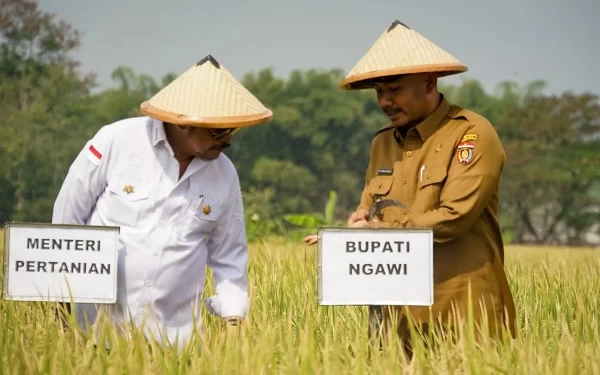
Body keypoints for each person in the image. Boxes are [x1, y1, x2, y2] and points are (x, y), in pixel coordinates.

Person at [304, 20, 517, 357]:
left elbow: (455, 217)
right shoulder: (382, 143)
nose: (385, 101)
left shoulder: (472, 133)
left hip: (462, 314)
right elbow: (370, 209)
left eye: (396, 89)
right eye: (379, 92)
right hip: (393, 319)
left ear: (430, 82)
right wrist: (350, 233)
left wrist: (374, 230)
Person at [52, 54, 273, 349]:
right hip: (94, 334)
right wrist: (60, 303)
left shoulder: (225, 174)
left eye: (233, 131)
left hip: (175, 344)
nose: (228, 141)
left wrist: (233, 323)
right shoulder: (116, 141)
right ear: (184, 124)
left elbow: (230, 256)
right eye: (219, 131)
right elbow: (67, 222)